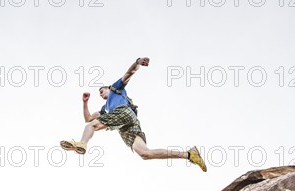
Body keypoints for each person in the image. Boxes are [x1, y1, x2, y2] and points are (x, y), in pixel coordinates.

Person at [60, 57, 207, 172]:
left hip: (124, 113)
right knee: (145, 154)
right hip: (127, 125)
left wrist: (137, 62)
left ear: (108, 89)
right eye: (99, 93)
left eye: (102, 91)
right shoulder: (105, 108)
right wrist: (85, 102)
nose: (101, 94)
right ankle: (189, 155)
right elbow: (88, 118)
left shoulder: (115, 88)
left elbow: (129, 73)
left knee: (92, 126)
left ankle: (82, 144)